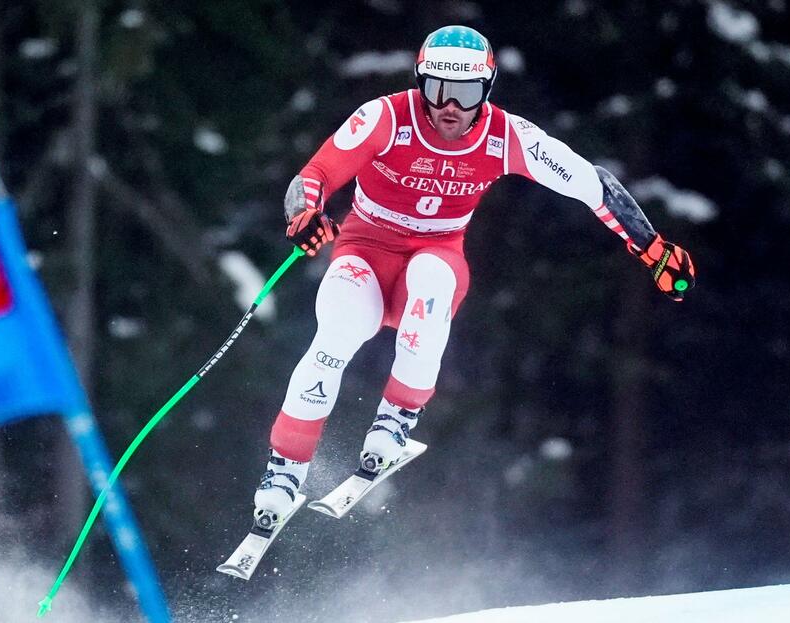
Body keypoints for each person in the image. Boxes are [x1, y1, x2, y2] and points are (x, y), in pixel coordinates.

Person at [252, 25, 695, 529]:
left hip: (437, 254)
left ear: (485, 90)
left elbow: (590, 183)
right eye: (438, 89)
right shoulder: (385, 116)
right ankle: (284, 472)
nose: (449, 106)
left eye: (465, 94)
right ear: (421, 82)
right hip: (365, 251)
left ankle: (394, 421)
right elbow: (315, 175)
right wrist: (304, 214)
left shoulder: (507, 136)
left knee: (431, 282)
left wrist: (651, 246)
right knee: (337, 333)